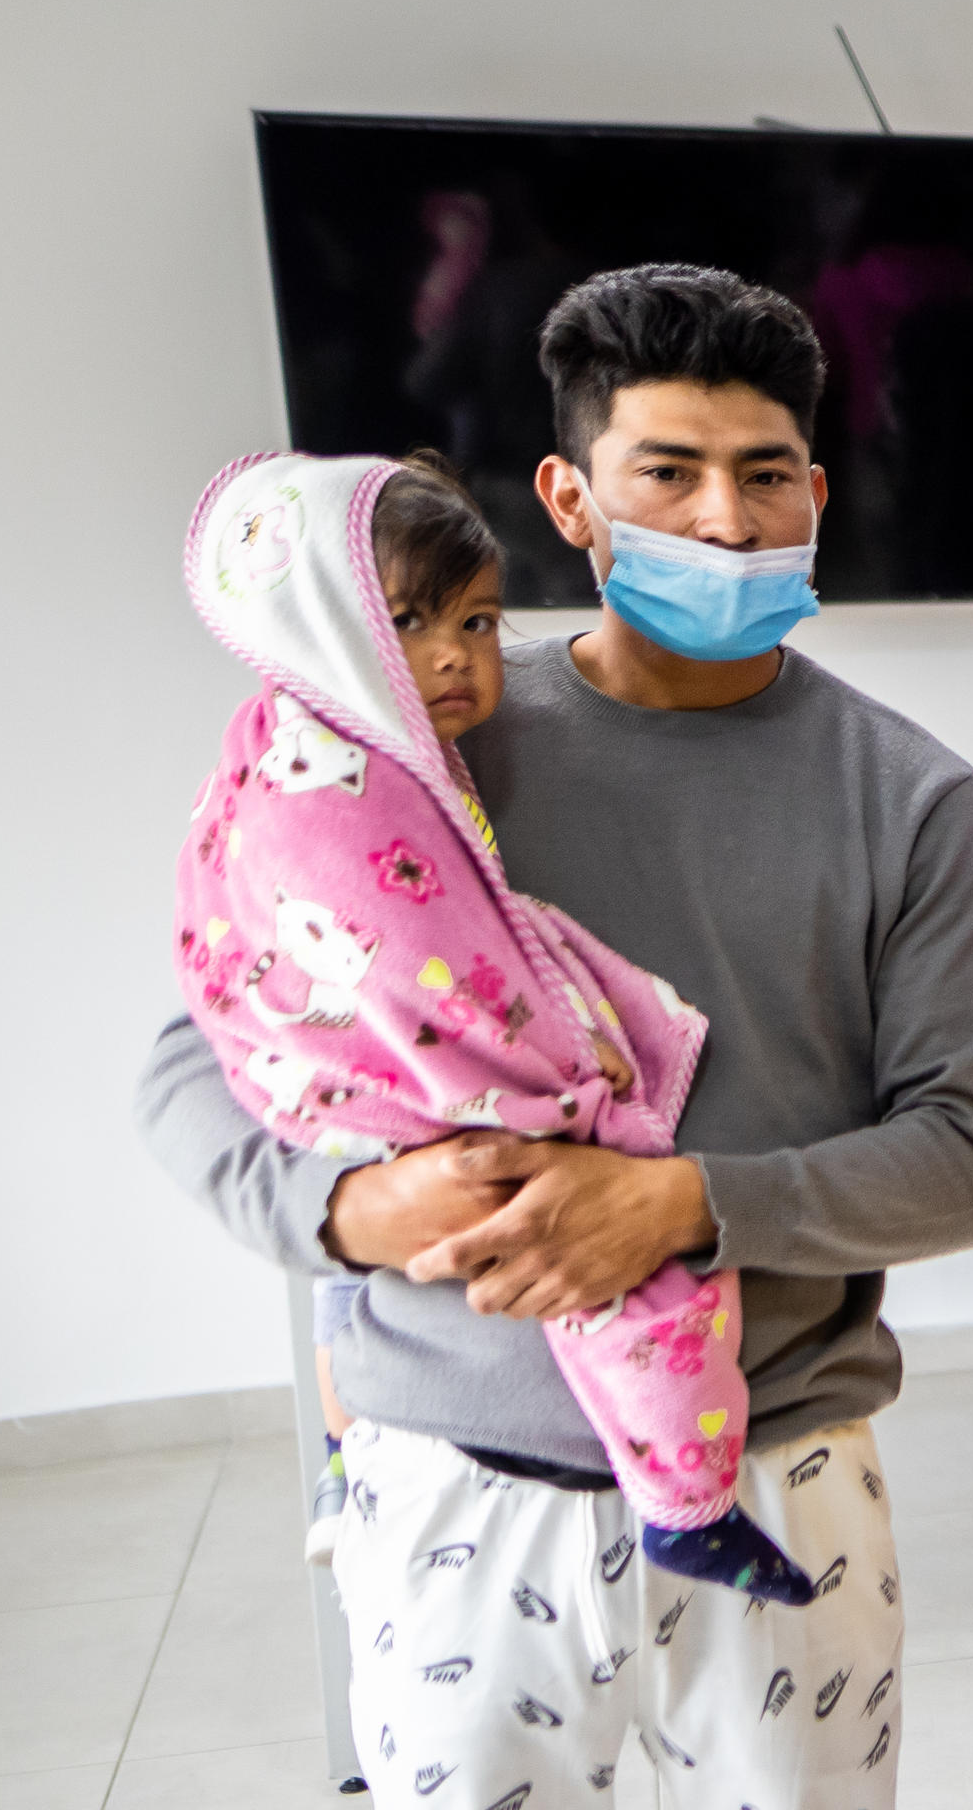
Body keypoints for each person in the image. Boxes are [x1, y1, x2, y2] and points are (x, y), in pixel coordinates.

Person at [136, 264, 973, 1810]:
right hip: (458, 1475)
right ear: (566, 494)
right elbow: (198, 1048)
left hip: (785, 1466)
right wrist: (346, 1215)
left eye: (768, 475)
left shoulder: (907, 796)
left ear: (825, 491)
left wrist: (684, 1204)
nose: (725, 514)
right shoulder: (415, 730)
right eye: (669, 474)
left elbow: (964, 1149)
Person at [176, 450, 815, 1603]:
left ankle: (355, 1455)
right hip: (386, 1165)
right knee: (612, 1243)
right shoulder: (334, 789)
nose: (456, 658)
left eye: (478, 622)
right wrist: (568, 1105)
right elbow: (441, 986)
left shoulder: (319, 739)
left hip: (334, 1087)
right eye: (411, 621)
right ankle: (687, 1494)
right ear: (573, 490)